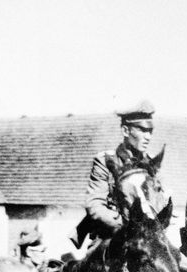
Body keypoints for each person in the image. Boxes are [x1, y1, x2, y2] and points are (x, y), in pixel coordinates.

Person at [71, 100, 167, 247]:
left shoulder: (151, 164)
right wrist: (125, 226)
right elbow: (95, 205)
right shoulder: (105, 161)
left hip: (146, 239)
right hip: (111, 236)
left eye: (150, 131)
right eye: (142, 130)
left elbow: (158, 203)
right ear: (125, 131)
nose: (148, 137)